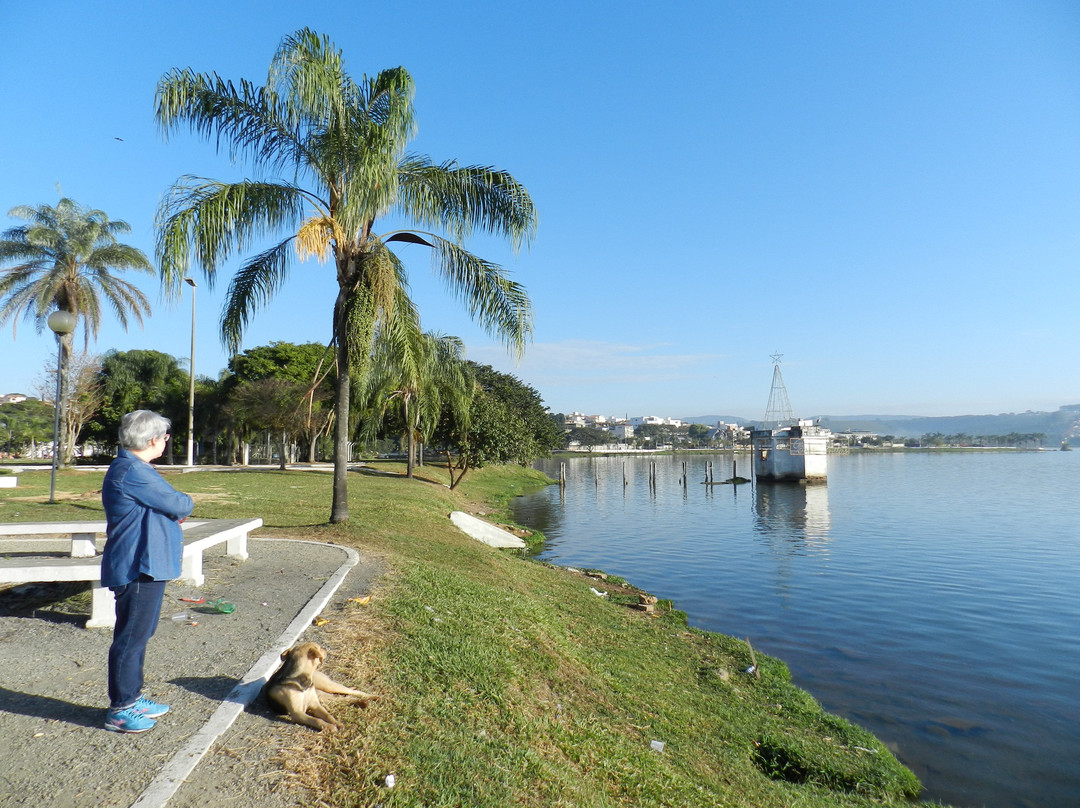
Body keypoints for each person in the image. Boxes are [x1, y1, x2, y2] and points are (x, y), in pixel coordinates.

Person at [100, 410, 194, 733]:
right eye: (165, 437)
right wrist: (177, 507)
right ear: (153, 440)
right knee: (131, 638)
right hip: (137, 567)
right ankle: (120, 707)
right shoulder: (133, 471)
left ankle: (132, 696)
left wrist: (169, 509)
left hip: (147, 566)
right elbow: (179, 504)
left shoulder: (135, 468)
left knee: (140, 634)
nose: (166, 442)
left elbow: (164, 506)